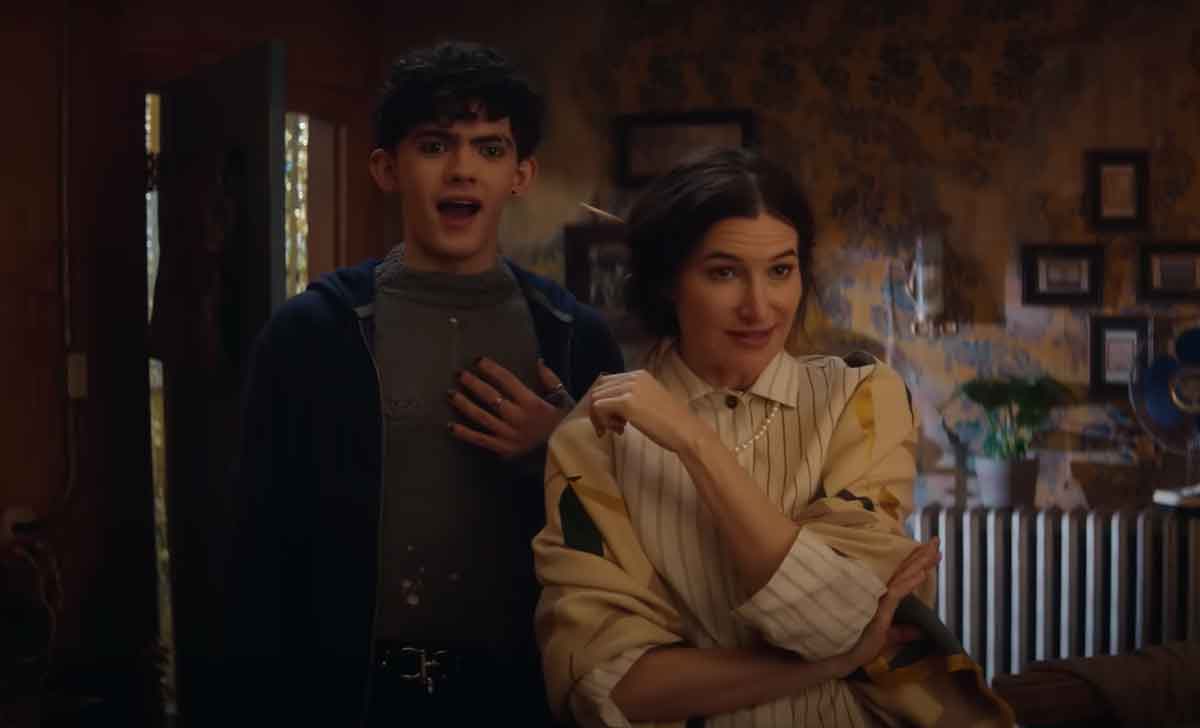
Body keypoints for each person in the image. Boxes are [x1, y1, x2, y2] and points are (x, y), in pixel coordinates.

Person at [533, 147, 1014, 727]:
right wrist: (828, 664)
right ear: (667, 284)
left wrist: (693, 441)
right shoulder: (592, 439)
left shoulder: (862, 398)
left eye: (781, 270)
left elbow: (839, 622)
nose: (759, 307)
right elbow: (608, 685)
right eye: (724, 273)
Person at [220, 40, 623, 727]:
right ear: (387, 167)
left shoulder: (574, 338)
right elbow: (256, 558)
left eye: (489, 149)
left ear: (520, 174)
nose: (462, 169)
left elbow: (632, 545)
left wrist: (563, 449)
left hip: (527, 693)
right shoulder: (311, 335)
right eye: (435, 146)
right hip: (354, 697)